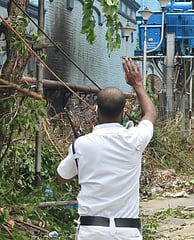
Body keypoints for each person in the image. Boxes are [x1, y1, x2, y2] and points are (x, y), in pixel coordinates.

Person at [56, 58, 156, 240]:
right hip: (127, 232)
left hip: (91, 231)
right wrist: (138, 85)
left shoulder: (82, 144)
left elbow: (62, 177)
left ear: (96, 110)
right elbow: (150, 114)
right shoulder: (135, 139)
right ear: (123, 112)